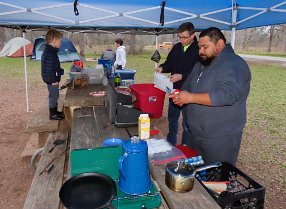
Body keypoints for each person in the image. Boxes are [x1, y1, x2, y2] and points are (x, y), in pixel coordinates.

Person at [172, 27, 251, 165]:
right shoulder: (201, 64)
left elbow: (227, 95)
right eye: (199, 47)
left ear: (219, 44)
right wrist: (180, 95)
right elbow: (188, 85)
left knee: (216, 180)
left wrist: (190, 98)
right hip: (195, 134)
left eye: (205, 47)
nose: (200, 51)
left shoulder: (233, 63)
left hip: (219, 139)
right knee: (197, 177)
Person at [155, 22, 199, 146]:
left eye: (184, 37)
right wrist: (162, 68)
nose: (181, 40)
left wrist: (182, 76)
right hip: (173, 90)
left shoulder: (199, 49)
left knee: (187, 123)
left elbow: (200, 72)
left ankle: (185, 146)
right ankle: (171, 144)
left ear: (192, 35)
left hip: (190, 91)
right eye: (179, 37)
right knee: (172, 119)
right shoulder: (176, 47)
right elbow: (170, 63)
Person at [41, 29, 65, 120]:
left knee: (56, 95)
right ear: (54, 39)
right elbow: (49, 69)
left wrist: (60, 72)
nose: (61, 43)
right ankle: (52, 114)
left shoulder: (51, 51)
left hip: (52, 78)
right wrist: (53, 80)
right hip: (52, 79)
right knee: (54, 95)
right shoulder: (50, 53)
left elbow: (54, 66)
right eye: (60, 41)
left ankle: (55, 112)